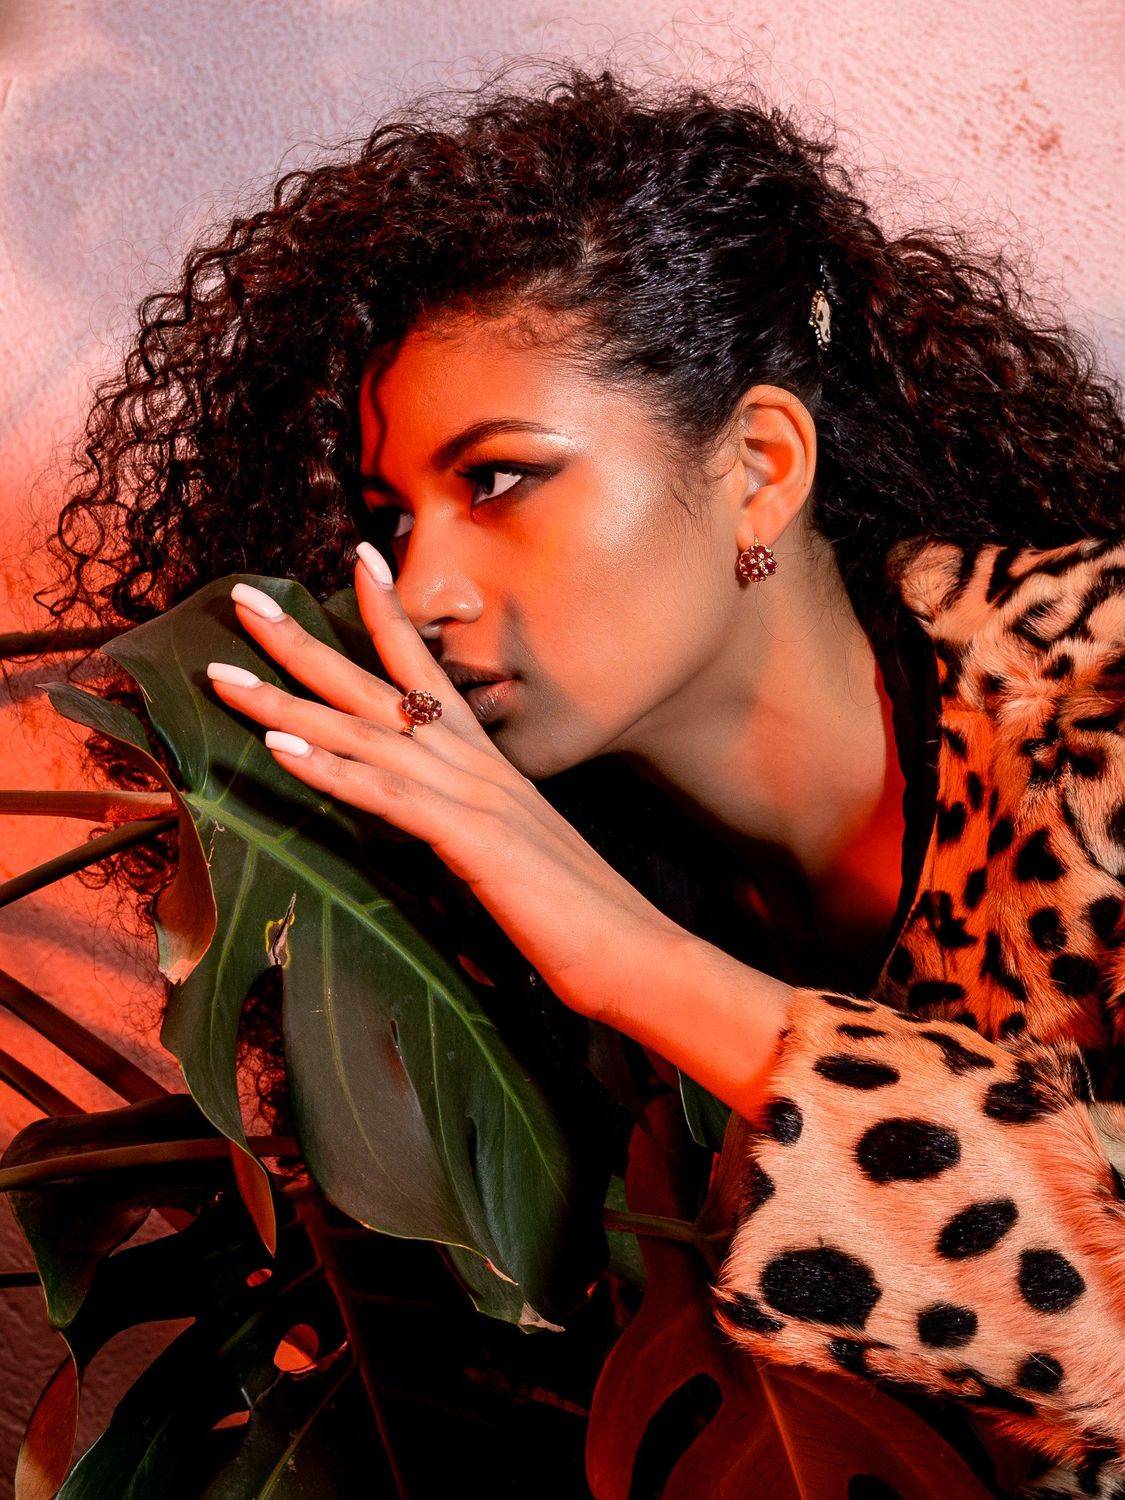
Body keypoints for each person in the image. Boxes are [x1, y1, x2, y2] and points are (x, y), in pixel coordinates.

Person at [41, 59, 1124, 1496]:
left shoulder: (1099, 703)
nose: (418, 588)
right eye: (390, 515)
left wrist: (632, 961)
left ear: (758, 466)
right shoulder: (487, 924)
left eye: (497, 480)